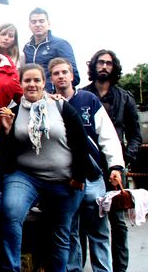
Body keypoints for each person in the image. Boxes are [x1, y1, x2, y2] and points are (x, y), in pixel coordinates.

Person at [0, 63, 93, 272]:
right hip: (25, 176)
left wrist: (78, 176)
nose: (32, 84)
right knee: (11, 213)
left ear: (44, 83)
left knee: (60, 233)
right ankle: (10, 268)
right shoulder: (12, 112)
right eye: (27, 80)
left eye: (36, 80)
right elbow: (6, 156)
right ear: (20, 83)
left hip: (64, 178)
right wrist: (5, 131)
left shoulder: (60, 106)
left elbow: (80, 141)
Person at [49, 57, 124, 272]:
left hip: (92, 176)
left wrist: (115, 167)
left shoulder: (88, 100)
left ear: (72, 75)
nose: (61, 76)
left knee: (98, 230)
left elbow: (107, 136)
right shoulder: (48, 104)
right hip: (65, 178)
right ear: (51, 78)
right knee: (70, 231)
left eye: (65, 72)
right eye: (56, 73)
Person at [83, 49, 142, 272]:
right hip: (89, 165)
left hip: (116, 167)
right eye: (100, 62)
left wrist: (125, 160)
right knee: (86, 219)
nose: (104, 66)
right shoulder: (83, 95)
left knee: (117, 223)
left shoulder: (125, 97)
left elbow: (135, 134)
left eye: (108, 63)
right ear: (94, 66)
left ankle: (120, 269)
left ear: (114, 67)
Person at [23, 7, 79, 91]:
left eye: (41, 21)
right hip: (34, 96)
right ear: (29, 26)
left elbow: (73, 75)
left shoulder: (60, 44)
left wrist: (58, 92)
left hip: (55, 97)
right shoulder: (27, 48)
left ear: (48, 24)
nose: (37, 24)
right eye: (34, 22)